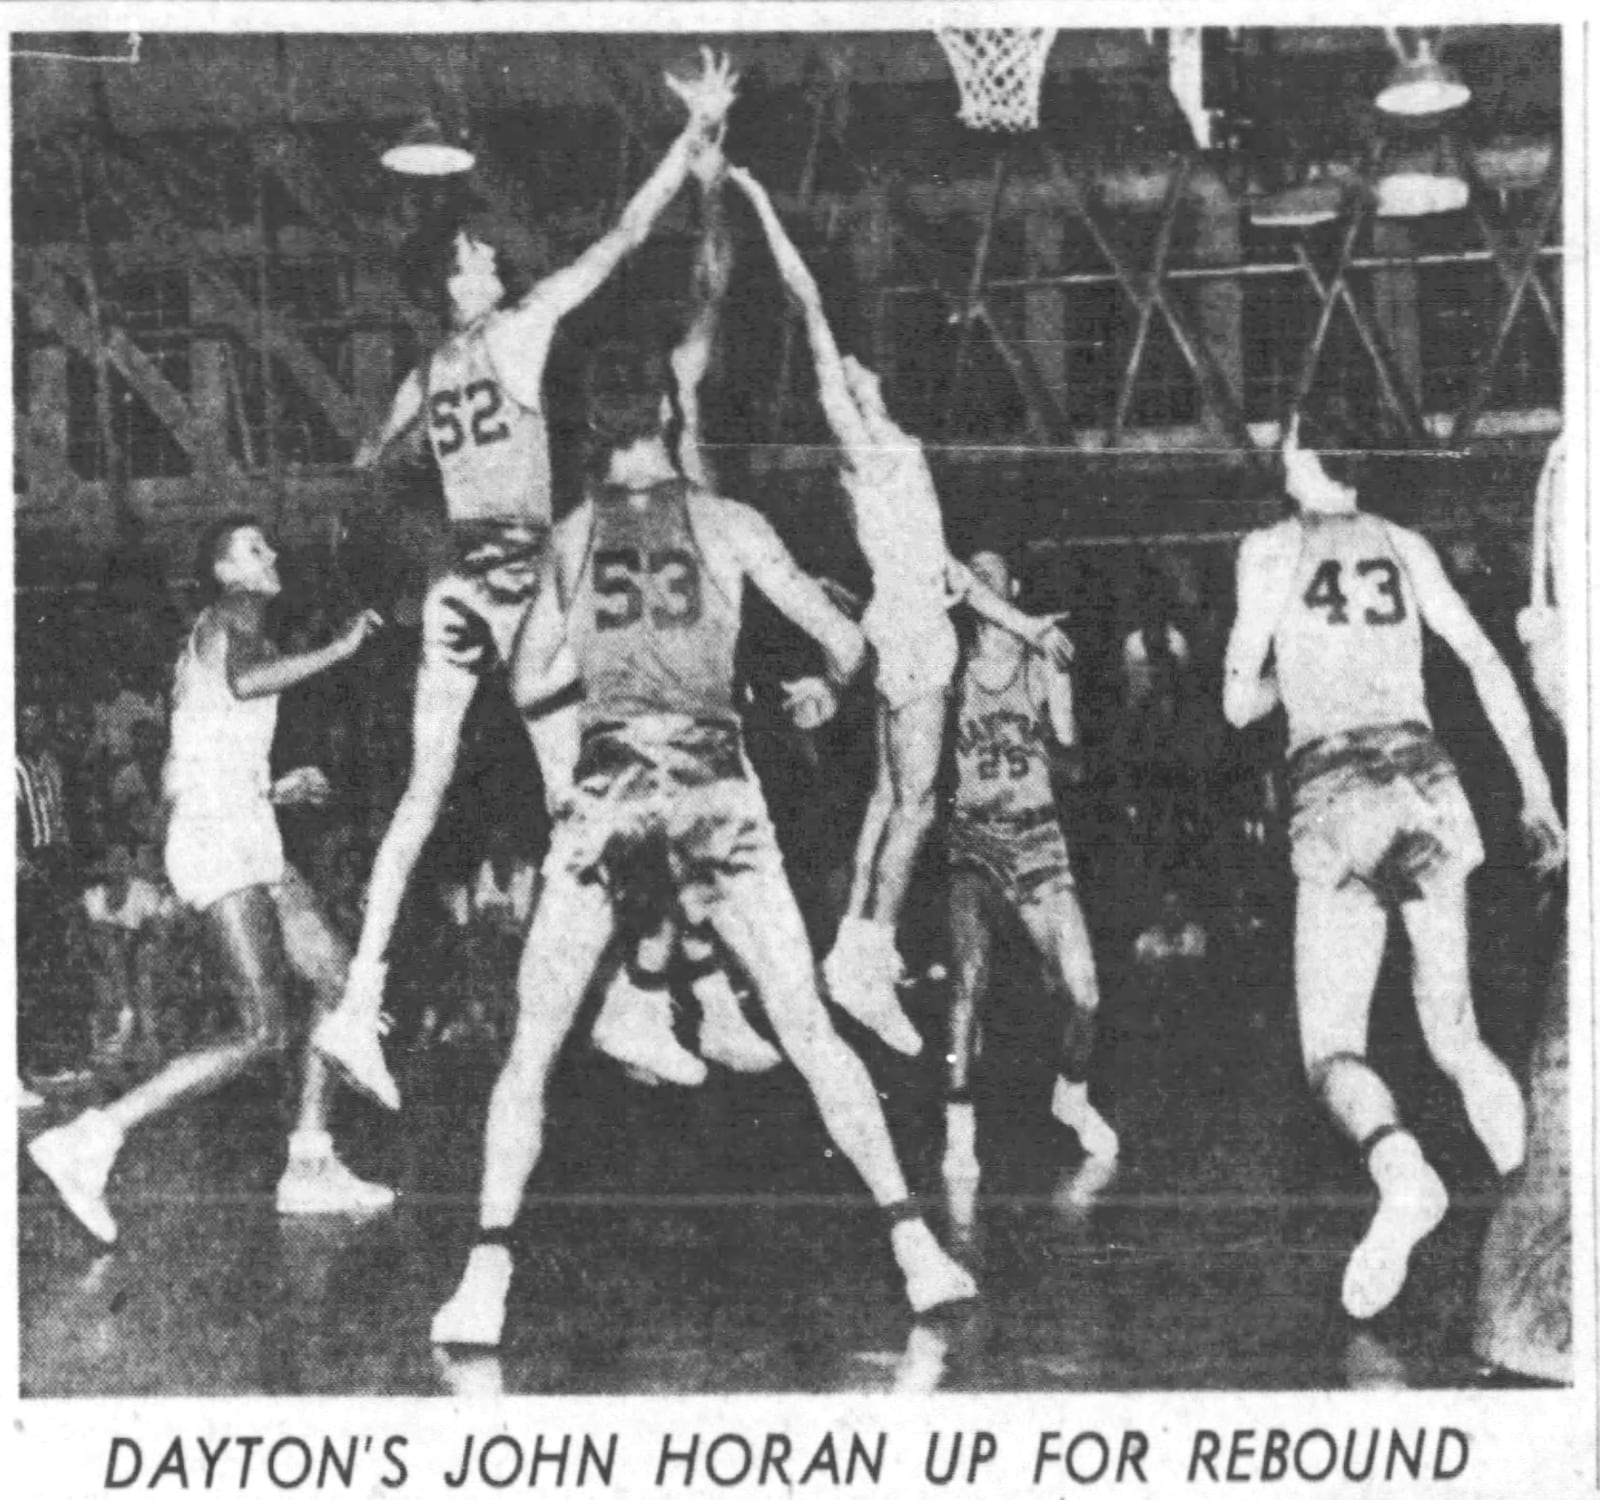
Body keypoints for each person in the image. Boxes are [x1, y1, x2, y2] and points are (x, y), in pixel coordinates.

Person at [428, 335, 977, 1346]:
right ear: (669, 421)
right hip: (714, 790)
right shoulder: (729, 523)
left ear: (593, 434)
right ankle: (915, 1248)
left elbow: (526, 678)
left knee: (530, 1049)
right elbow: (847, 640)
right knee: (805, 1026)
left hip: (608, 795)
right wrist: (822, 690)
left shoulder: (572, 536)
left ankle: (484, 1278)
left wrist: (598, 668)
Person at [314, 49, 740, 1109]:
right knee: (584, 791)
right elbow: (622, 241)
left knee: (426, 791)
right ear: (459, 282)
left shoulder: (426, 370)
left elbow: (374, 462)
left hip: (455, 585)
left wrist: (417, 508)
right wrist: (690, 144)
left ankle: (360, 999)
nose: (488, 254)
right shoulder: (514, 333)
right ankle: (636, 997)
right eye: (472, 251)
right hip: (514, 584)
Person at [1222, 414, 1564, 1321]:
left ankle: (1401, 1169)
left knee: (1332, 1046)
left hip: (1336, 785)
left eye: (1290, 438)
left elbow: (1235, 700)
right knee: (1455, 1035)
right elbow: (1488, 662)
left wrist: (1293, 679)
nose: (1280, 453)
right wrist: (1536, 790)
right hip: (1426, 775)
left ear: (1314, 454)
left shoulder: (1268, 548)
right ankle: (1551, 1235)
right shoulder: (1405, 545)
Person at [728, 164, 1072, 1058]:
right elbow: (807, 304)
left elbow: (950, 566)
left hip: (914, 614)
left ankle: (853, 947)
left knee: (890, 797)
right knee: (917, 804)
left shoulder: (894, 449)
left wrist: (1028, 626)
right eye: (839, 367)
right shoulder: (860, 438)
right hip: (913, 629)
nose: (850, 361)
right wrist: (765, 203)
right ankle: (868, 958)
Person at [27, 518, 392, 1245]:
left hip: (239, 822)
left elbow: (199, 745)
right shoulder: (239, 610)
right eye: (257, 548)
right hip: (219, 837)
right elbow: (247, 682)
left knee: (334, 977)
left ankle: (311, 1164)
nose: (273, 553)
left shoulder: (218, 627)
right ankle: (91, 1136)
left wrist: (270, 789)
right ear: (225, 568)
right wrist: (343, 648)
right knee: (262, 1028)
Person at [941, 550, 1118, 1234]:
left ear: (1012, 589)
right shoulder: (949, 669)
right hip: (974, 842)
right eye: (973, 572)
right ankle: (960, 1124)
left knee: (1085, 990)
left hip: (1039, 839)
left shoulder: (1041, 663)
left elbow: (1070, 750)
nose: (984, 578)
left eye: (995, 572)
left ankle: (1070, 1098)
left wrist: (1063, 682)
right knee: (968, 981)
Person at [1474, 432, 1570, 1382]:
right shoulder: (1570, 463)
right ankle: (1524, 1319)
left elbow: (1538, 664)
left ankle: (1523, 1319)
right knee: (1562, 1067)